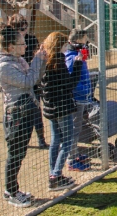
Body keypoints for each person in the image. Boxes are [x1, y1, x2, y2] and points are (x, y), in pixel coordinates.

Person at [0, 24, 47, 207]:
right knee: (14, 154)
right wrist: (37, 60)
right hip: (16, 116)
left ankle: (13, 189)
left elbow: (34, 78)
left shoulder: (18, 60)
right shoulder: (5, 67)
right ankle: (11, 191)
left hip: (26, 111)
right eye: (22, 44)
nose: (26, 47)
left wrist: (41, 61)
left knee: (20, 153)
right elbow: (28, 81)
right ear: (10, 47)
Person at [41, 32, 82, 191]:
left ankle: (53, 173)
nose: (67, 47)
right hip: (62, 107)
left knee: (56, 140)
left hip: (50, 107)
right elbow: (70, 84)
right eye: (65, 44)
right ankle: (56, 175)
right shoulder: (58, 61)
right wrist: (77, 64)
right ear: (60, 45)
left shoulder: (44, 60)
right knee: (67, 140)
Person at [7, 14, 48, 149]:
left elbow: (37, 55)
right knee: (14, 111)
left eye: (25, 28)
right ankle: (12, 137)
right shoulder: (10, 42)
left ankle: (41, 139)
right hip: (17, 81)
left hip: (33, 78)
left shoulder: (31, 39)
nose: (24, 31)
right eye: (21, 29)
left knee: (36, 109)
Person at [64, 29, 92, 171]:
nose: (86, 43)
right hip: (76, 98)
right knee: (74, 129)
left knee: (78, 127)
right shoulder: (71, 57)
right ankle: (71, 159)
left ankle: (74, 153)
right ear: (78, 41)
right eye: (85, 40)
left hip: (82, 96)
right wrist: (82, 90)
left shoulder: (77, 55)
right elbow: (71, 79)